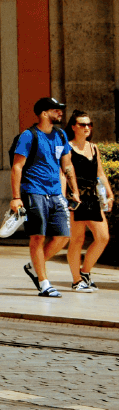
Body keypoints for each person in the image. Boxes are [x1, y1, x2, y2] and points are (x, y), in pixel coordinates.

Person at [11, 97, 78, 296]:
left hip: (56, 194)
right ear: (43, 113)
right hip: (34, 192)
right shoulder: (28, 136)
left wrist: (74, 189)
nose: (60, 113)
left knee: (63, 236)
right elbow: (17, 167)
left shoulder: (61, 135)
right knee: (38, 237)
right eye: (55, 110)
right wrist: (16, 197)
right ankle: (44, 282)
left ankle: (33, 266)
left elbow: (67, 165)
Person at [65, 110, 112, 292]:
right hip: (75, 198)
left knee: (102, 237)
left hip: (92, 197)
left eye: (89, 124)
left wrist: (109, 194)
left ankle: (84, 272)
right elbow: (67, 173)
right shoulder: (67, 147)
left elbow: (99, 173)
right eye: (83, 124)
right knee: (77, 240)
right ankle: (77, 281)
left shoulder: (93, 148)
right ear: (73, 127)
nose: (87, 127)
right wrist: (71, 195)